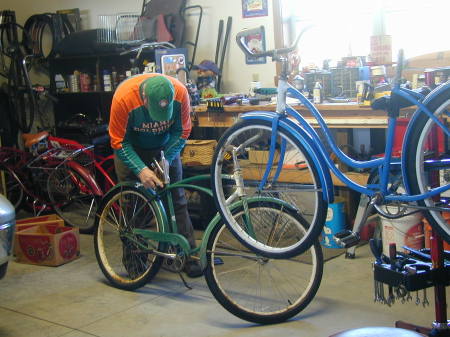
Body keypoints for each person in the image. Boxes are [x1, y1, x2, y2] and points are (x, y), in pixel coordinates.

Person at [109, 73, 202, 278]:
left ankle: (188, 256)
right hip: (131, 148)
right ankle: (135, 261)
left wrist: (166, 159)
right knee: (134, 204)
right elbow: (118, 141)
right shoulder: (123, 98)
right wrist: (141, 170)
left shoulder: (180, 93)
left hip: (164, 147)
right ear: (143, 98)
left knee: (177, 199)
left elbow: (182, 131)